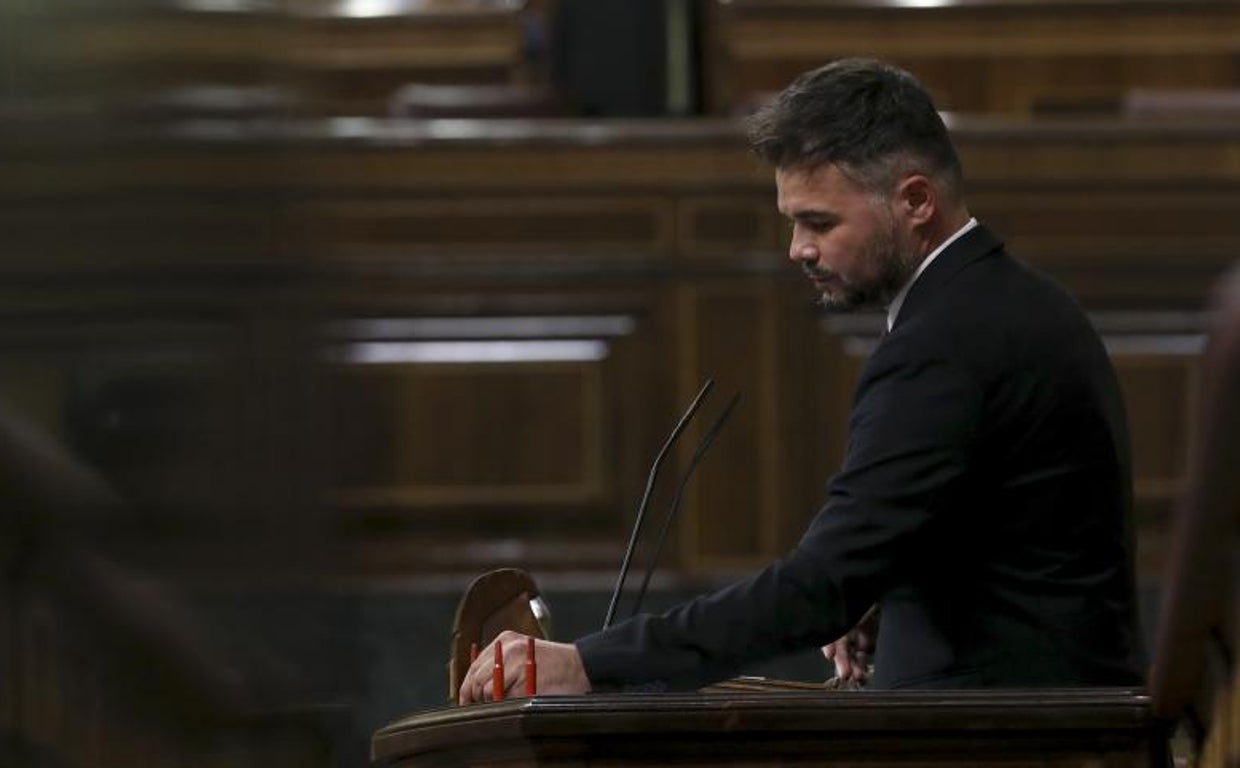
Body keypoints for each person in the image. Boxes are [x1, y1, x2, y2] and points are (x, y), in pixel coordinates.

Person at [458, 58, 1146, 704]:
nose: (798, 250)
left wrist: (587, 663)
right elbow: (1011, 542)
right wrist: (894, 591)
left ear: (914, 201)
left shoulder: (942, 345)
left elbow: (819, 589)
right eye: (792, 223)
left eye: (819, 222)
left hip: (1014, 740)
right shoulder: (1018, 302)